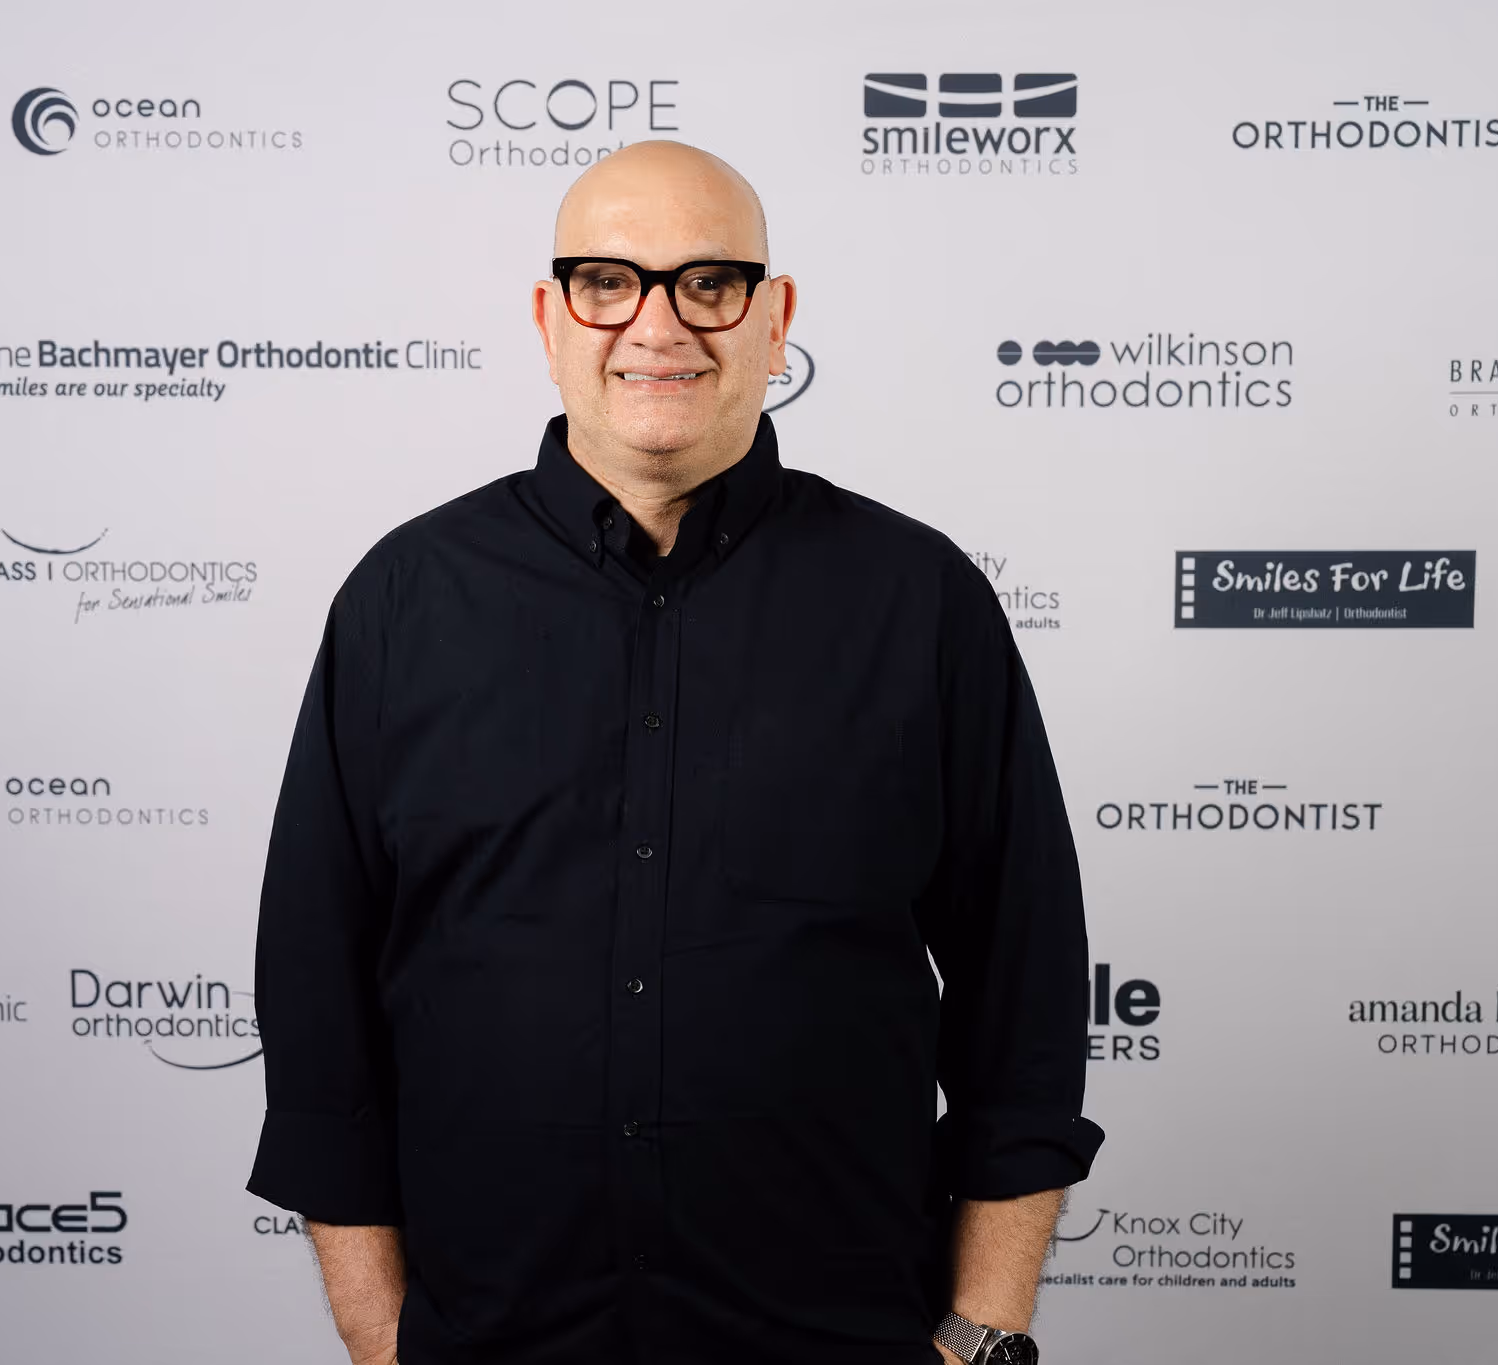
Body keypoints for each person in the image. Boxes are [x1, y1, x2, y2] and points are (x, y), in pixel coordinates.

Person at [247, 140, 1102, 1365]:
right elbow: (316, 997)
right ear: (550, 317)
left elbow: (1022, 994)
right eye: (607, 280)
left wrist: (980, 1331)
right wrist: (381, 1338)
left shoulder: (919, 604)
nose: (657, 323)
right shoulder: (404, 602)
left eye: (707, 282)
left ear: (773, 316)